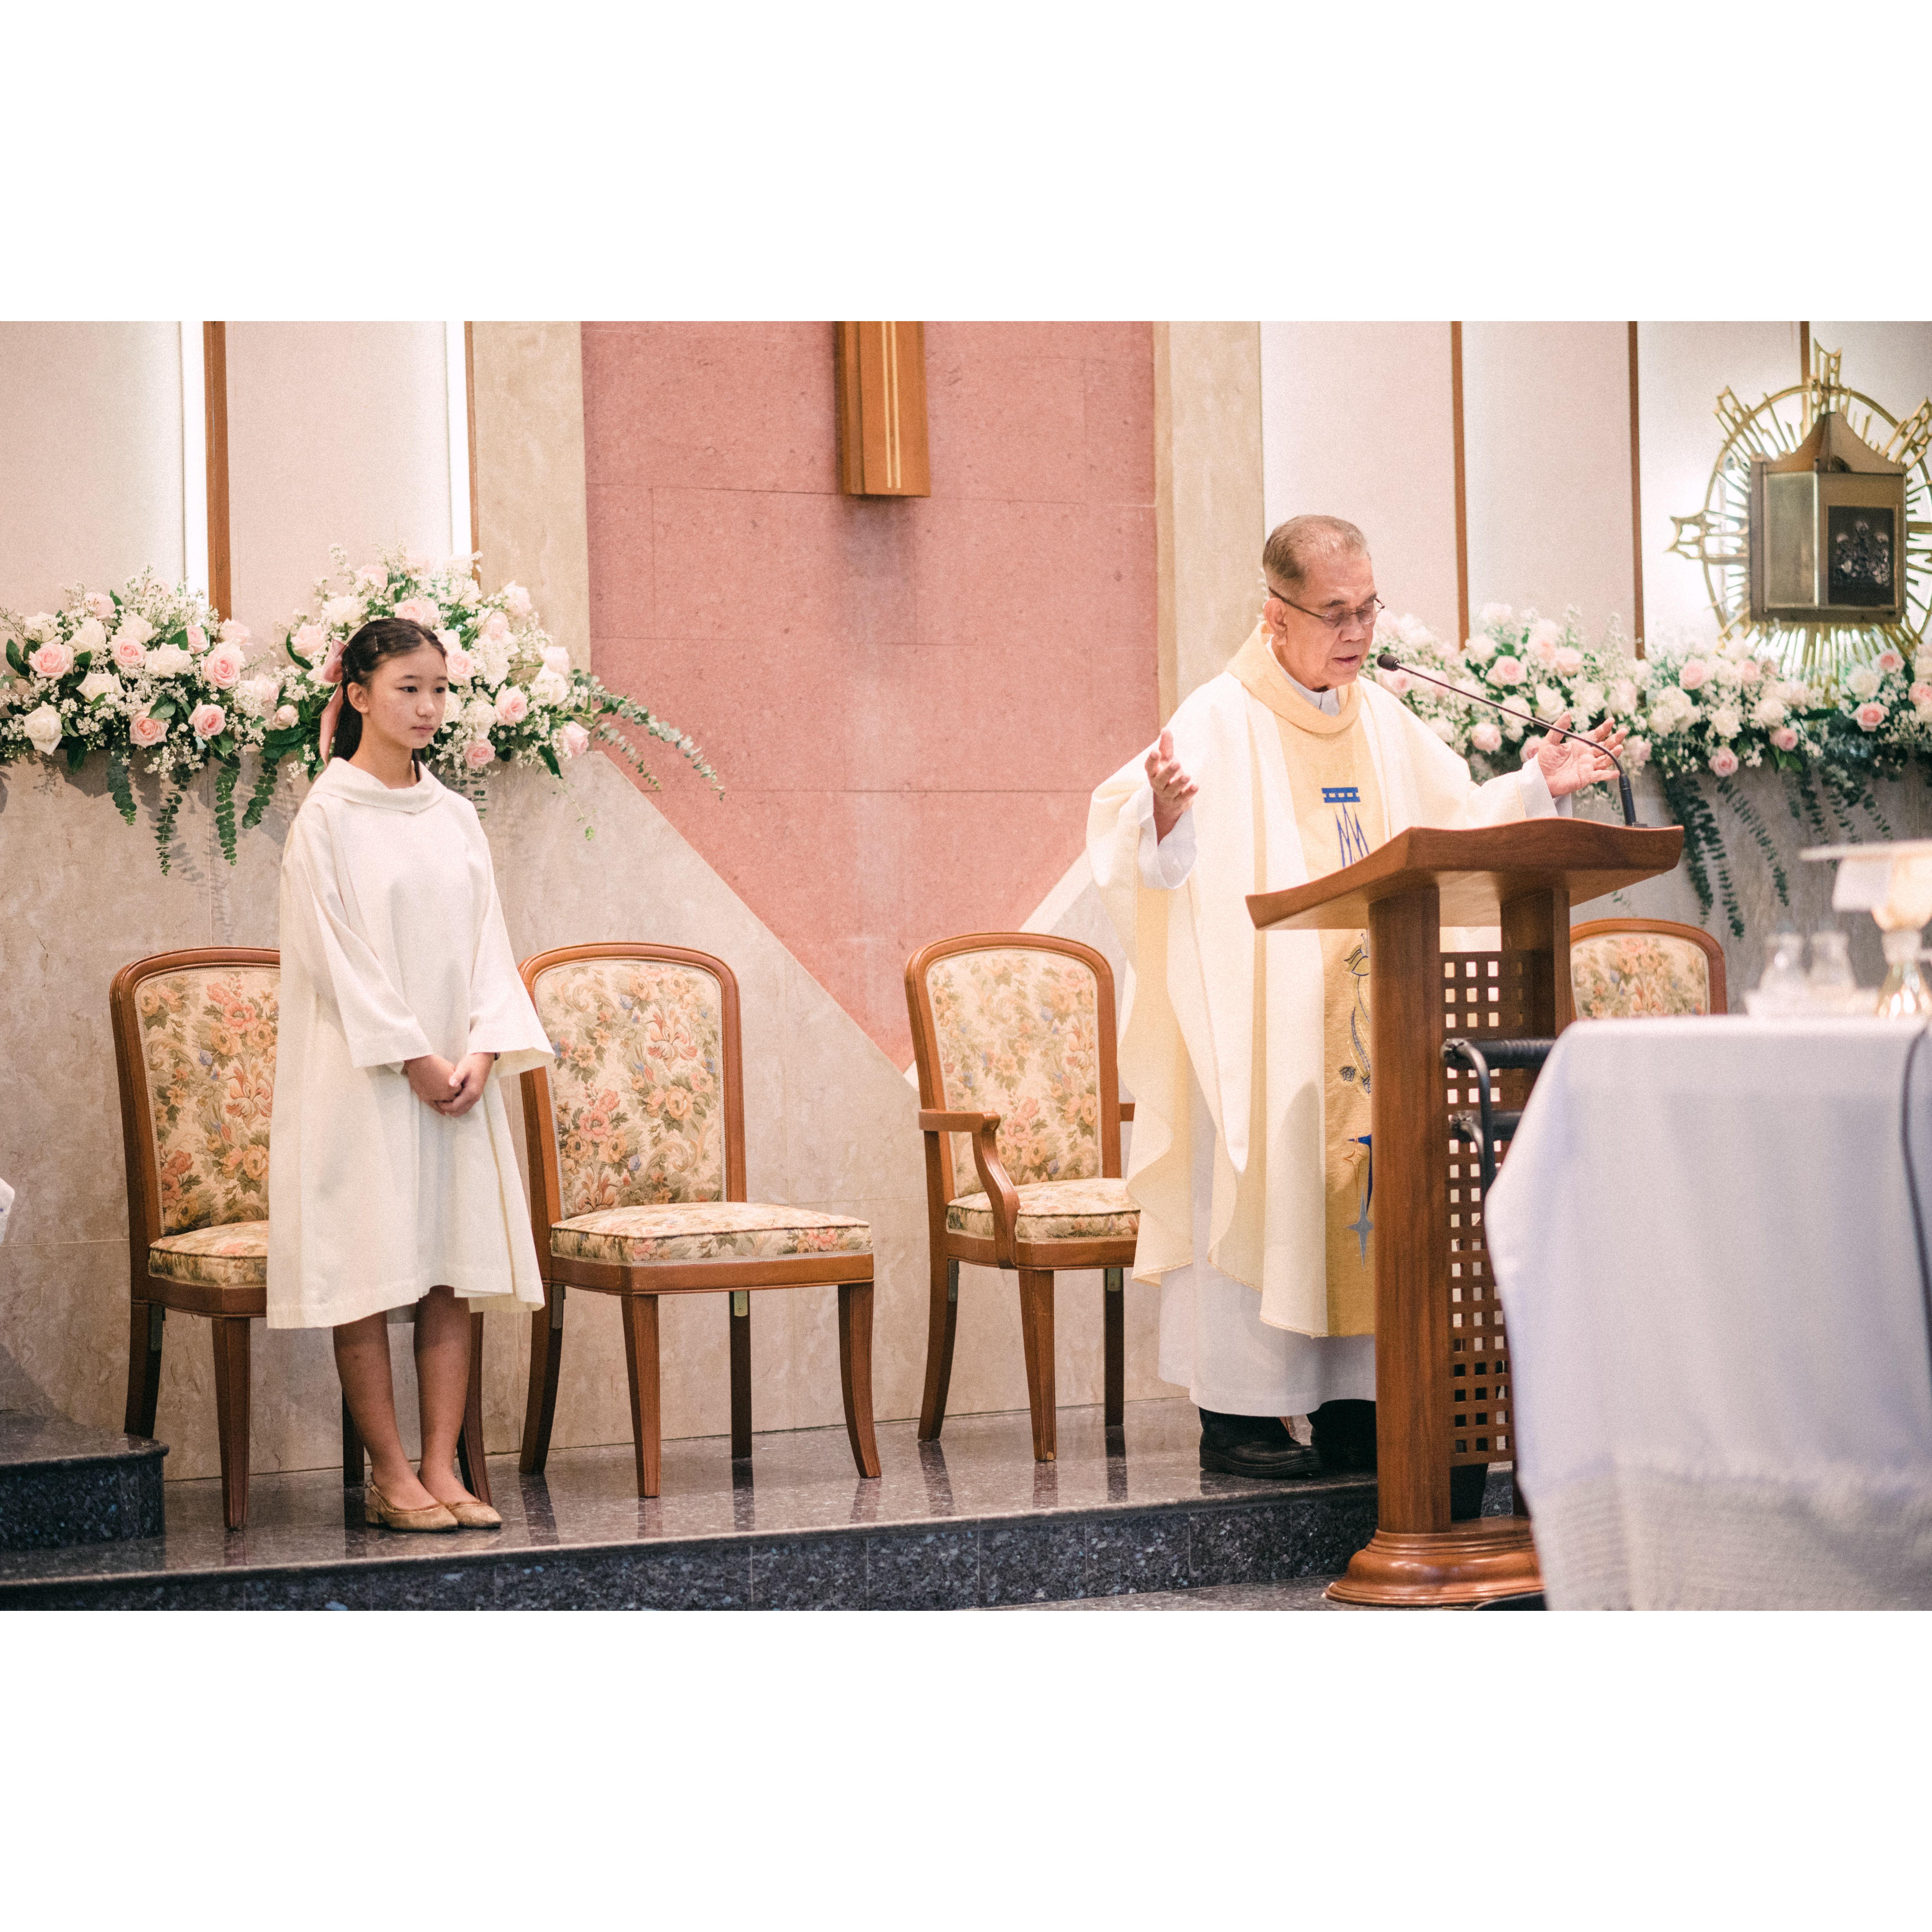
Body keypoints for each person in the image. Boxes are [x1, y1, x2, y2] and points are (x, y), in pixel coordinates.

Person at [1087, 516, 1624, 1492]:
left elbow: (1454, 822)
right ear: (1276, 614)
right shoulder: (1219, 718)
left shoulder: (1379, 718)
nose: (1358, 631)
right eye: (1335, 612)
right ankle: (1240, 1417)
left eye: (1369, 608)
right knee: (1267, 1185)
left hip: (1385, 1017)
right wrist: (1160, 817)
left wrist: (1530, 788)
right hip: (1269, 1024)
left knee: (1370, 1194)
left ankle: (1355, 1410)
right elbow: (1130, 840)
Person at [268, 617, 553, 1532]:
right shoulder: (328, 818)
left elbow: (489, 943)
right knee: (368, 1265)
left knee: (448, 1268)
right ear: (357, 696)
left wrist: (481, 1049)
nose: (428, 707)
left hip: (457, 1080)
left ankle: (442, 1465)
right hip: (366, 1080)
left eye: (439, 689)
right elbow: (335, 960)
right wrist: (415, 1057)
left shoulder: (455, 815)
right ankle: (390, 1473)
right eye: (408, 689)